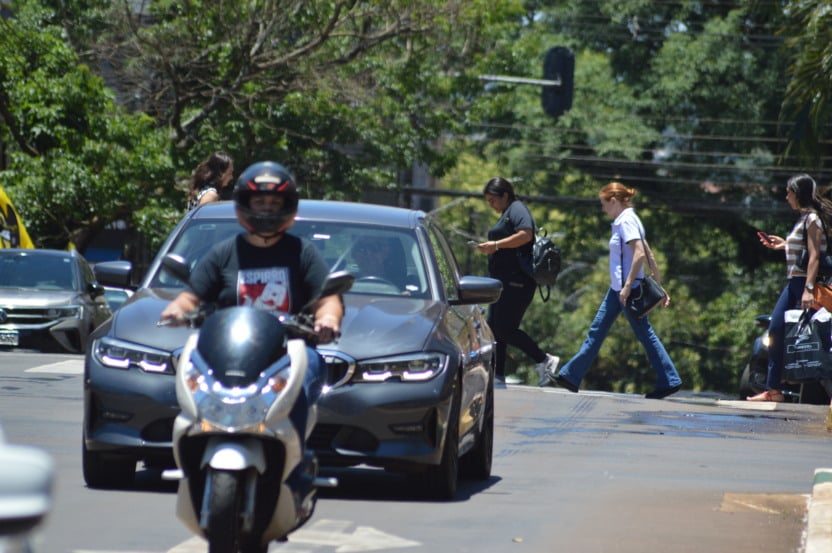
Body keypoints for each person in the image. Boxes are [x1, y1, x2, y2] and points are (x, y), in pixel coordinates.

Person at [161, 160, 344, 436]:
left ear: (288, 206)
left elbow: (327, 298)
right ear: (245, 204)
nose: (267, 208)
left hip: (289, 353)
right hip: (227, 353)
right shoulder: (224, 252)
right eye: (260, 202)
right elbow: (191, 296)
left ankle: (294, 469)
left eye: (274, 202)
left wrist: (328, 318)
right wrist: (176, 310)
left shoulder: (302, 252)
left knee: (305, 376)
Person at [548, 182, 682, 399]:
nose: (602, 209)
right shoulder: (629, 219)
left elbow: (639, 254)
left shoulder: (626, 220)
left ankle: (669, 380)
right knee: (598, 330)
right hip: (618, 290)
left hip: (627, 291)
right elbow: (649, 253)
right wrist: (658, 284)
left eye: (604, 204)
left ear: (614, 201)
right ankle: (571, 376)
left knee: (644, 335)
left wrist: (628, 286)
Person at [748, 174, 832, 402]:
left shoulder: (813, 219)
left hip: (805, 283)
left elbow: (814, 256)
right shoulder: (802, 219)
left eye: (789, 192)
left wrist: (808, 288)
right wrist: (784, 245)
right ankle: (773, 390)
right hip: (793, 282)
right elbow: (804, 251)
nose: (786, 197)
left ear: (798, 193)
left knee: (820, 340)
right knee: (775, 330)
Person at [474, 177, 559, 387]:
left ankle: (543, 359)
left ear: (505, 195)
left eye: (493, 200)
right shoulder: (507, 213)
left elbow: (525, 234)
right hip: (503, 281)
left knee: (505, 329)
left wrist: (495, 245)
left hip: (517, 282)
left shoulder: (517, 208)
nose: (491, 205)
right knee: (495, 328)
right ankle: (498, 375)